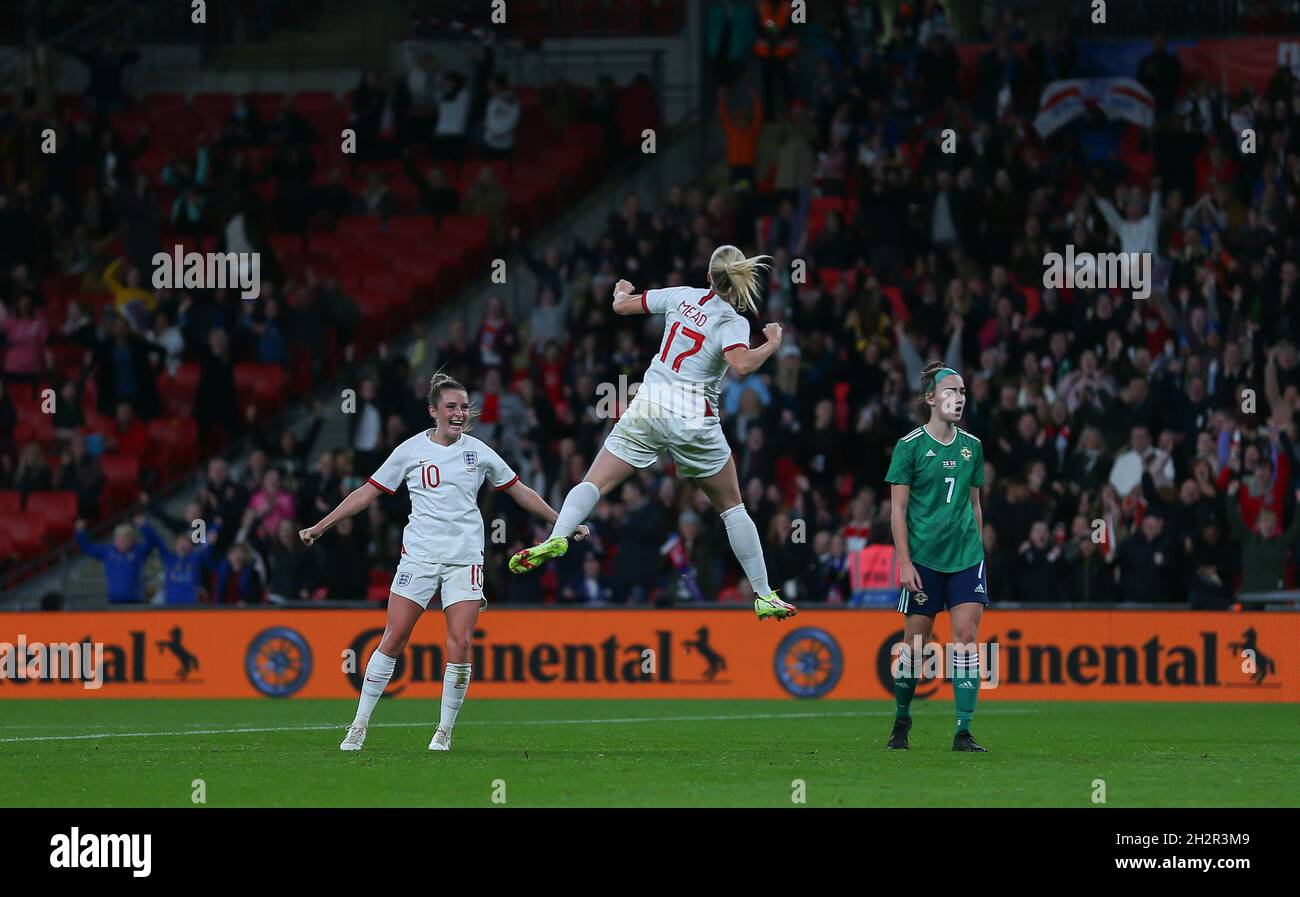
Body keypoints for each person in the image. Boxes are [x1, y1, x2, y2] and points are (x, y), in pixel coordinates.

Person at [508, 245, 797, 622]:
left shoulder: (681, 295)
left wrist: (619, 290)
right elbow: (741, 365)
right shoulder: (732, 322)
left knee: (594, 482)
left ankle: (556, 536)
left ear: (708, 277)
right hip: (695, 417)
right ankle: (762, 594)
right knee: (732, 508)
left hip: (650, 403)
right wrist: (773, 343)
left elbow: (622, 306)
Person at [300, 372, 584, 752]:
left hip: (465, 558)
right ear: (433, 411)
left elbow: (520, 490)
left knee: (460, 644)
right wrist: (322, 525)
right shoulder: (409, 450)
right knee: (395, 637)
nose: (459, 413)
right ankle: (359, 725)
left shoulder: (479, 452)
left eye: (464, 407)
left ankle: (444, 731)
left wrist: (562, 522)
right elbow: (367, 492)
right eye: (451, 406)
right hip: (419, 556)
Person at [884, 361, 988, 752]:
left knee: (966, 638)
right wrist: (905, 562)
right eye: (950, 391)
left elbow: (975, 504)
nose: (958, 398)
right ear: (930, 398)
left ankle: (963, 731)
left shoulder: (972, 446)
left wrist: (979, 552)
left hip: (965, 556)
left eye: (962, 392)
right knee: (915, 645)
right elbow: (897, 511)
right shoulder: (909, 447)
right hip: (924, 559)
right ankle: (901, 718)